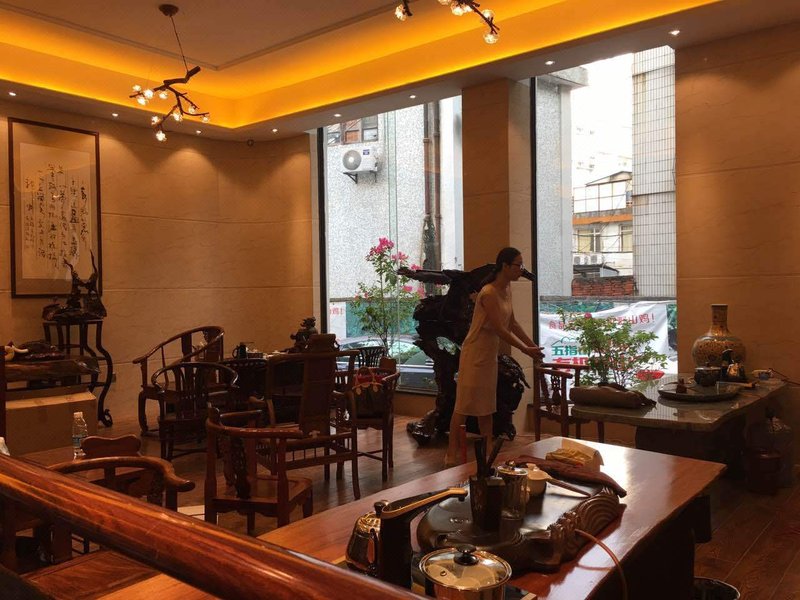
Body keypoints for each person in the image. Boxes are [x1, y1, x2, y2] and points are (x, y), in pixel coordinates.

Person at [445, 247, 543, 466]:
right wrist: (526, 350)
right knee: (463, 405)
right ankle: (451, 452)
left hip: (489, 354)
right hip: (474, 353)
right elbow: (500, 329)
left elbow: (513, 323)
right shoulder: (488, 293)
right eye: (518, 265)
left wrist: (532, 345)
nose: (521, 269)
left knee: (486, 406)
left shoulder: (506, 290)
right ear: (505, 266)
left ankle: (488, 451)